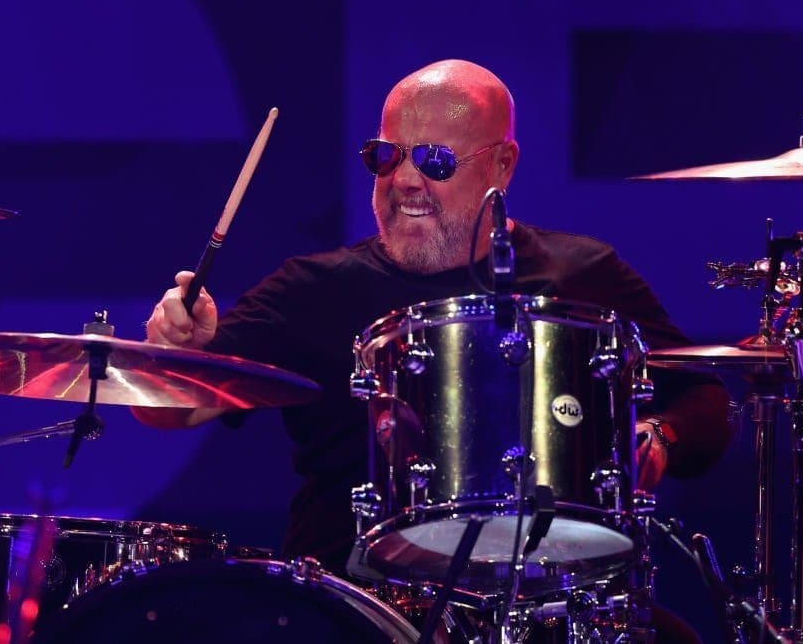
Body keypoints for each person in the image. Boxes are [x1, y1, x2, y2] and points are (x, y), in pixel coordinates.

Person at [134, 59, 730, 631]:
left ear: (501, 165)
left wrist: (659, 437)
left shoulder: (581, 275)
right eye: (386, 156)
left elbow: (705, 402)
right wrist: (175, 349)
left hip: (548, 603)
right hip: (350, 611)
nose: (404, 180)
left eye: (435, 161)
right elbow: (169, 409)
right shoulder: (312, 289)